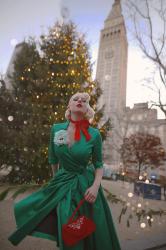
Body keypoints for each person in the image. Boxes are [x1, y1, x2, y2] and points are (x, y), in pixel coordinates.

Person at [8, 92, 122, 250]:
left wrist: (95, 187)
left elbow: (98, 165)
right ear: (69, 106)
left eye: (84, 100)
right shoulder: (56, 129)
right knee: (65, 221)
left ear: (87, 109)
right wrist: (55, 182)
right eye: (76, 99)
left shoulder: (94, 134)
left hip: (85, 185)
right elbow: (53, 159)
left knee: (82, 226)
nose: (80, 101)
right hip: (62, 181)